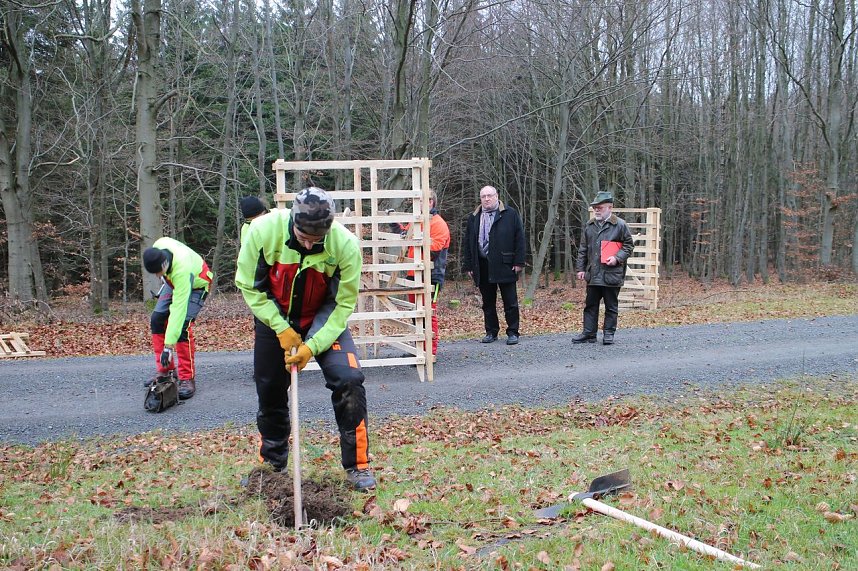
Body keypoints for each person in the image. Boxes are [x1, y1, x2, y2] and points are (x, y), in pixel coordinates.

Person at [235, 187, 376, 491]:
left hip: (322, 319)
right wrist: (281, 328)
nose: (310, 244)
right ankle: (272, 467)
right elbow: (250, 286)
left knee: (349, 378)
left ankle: (358, 465)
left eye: (317, 240)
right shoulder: (261, 232)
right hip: (274, 317)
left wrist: (312, 345)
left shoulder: (345, 245)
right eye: (304, 238)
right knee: (270, 388)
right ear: (293, 223)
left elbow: (342, 304)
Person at [142, 238, 213, 399]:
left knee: (182, 327)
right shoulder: (158, 247)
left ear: (164, 265)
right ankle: (165, 370)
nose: (157, 276)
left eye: (158, 272)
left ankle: (187, 378)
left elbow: (178, 311)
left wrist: (168, 346)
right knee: (157, 319)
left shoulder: (182, 270)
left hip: (197, 284)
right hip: (172, 280)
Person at [388, 189, 451, 360]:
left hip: (430, 276)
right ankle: (419, 349)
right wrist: (396, 225)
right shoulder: (417, 221)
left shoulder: (438, 223)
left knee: (428, 313)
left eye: (425, 200)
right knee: (416, 313)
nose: (422, 203)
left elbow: (435, 248)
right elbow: (405, 235)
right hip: (412, 274)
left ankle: (430, 352)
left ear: (432, 202)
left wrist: (416, 239)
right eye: (419, 200)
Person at [462, 185, 526, 345]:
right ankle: (491, 332)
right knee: (488, 302)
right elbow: (468, 242)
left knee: (510, 301)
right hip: (482, 265)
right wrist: (469, 265)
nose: (486, 199)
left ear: (497, 196)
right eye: (483, 196)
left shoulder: (509, 214)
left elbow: (520, 238)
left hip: (505, 264)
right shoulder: (474, 217)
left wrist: (519, 261)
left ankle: (513, 332)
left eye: (489, 195)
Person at [573, 191, 635, 345]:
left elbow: (629, 246)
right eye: (595, 208)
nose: (596, 210)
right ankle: (589, 334)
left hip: (612, 274)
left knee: (611, 306)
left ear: (610, 207)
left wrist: (617, 258)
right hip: (593, 274)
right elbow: (583, 249)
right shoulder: (589, 225)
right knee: (590, 306)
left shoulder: (620, 225)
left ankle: (608, 334)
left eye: (600, 207)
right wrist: (580, 269)